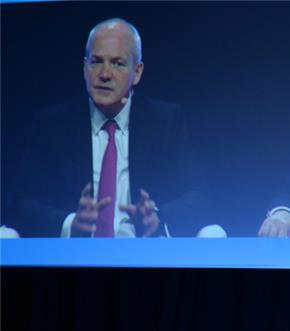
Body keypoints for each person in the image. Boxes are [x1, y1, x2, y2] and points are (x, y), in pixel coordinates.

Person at [5, 17, 209, 238]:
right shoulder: (53, 124)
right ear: (85, 68)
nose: (104, 73)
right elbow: (19, 203)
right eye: (96, 61)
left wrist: (156, 217)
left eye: (118, 63)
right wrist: (70, 223)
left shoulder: (165, 120)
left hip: (146, 254)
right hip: (72, 258)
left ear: (137, 72)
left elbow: (199, 197)